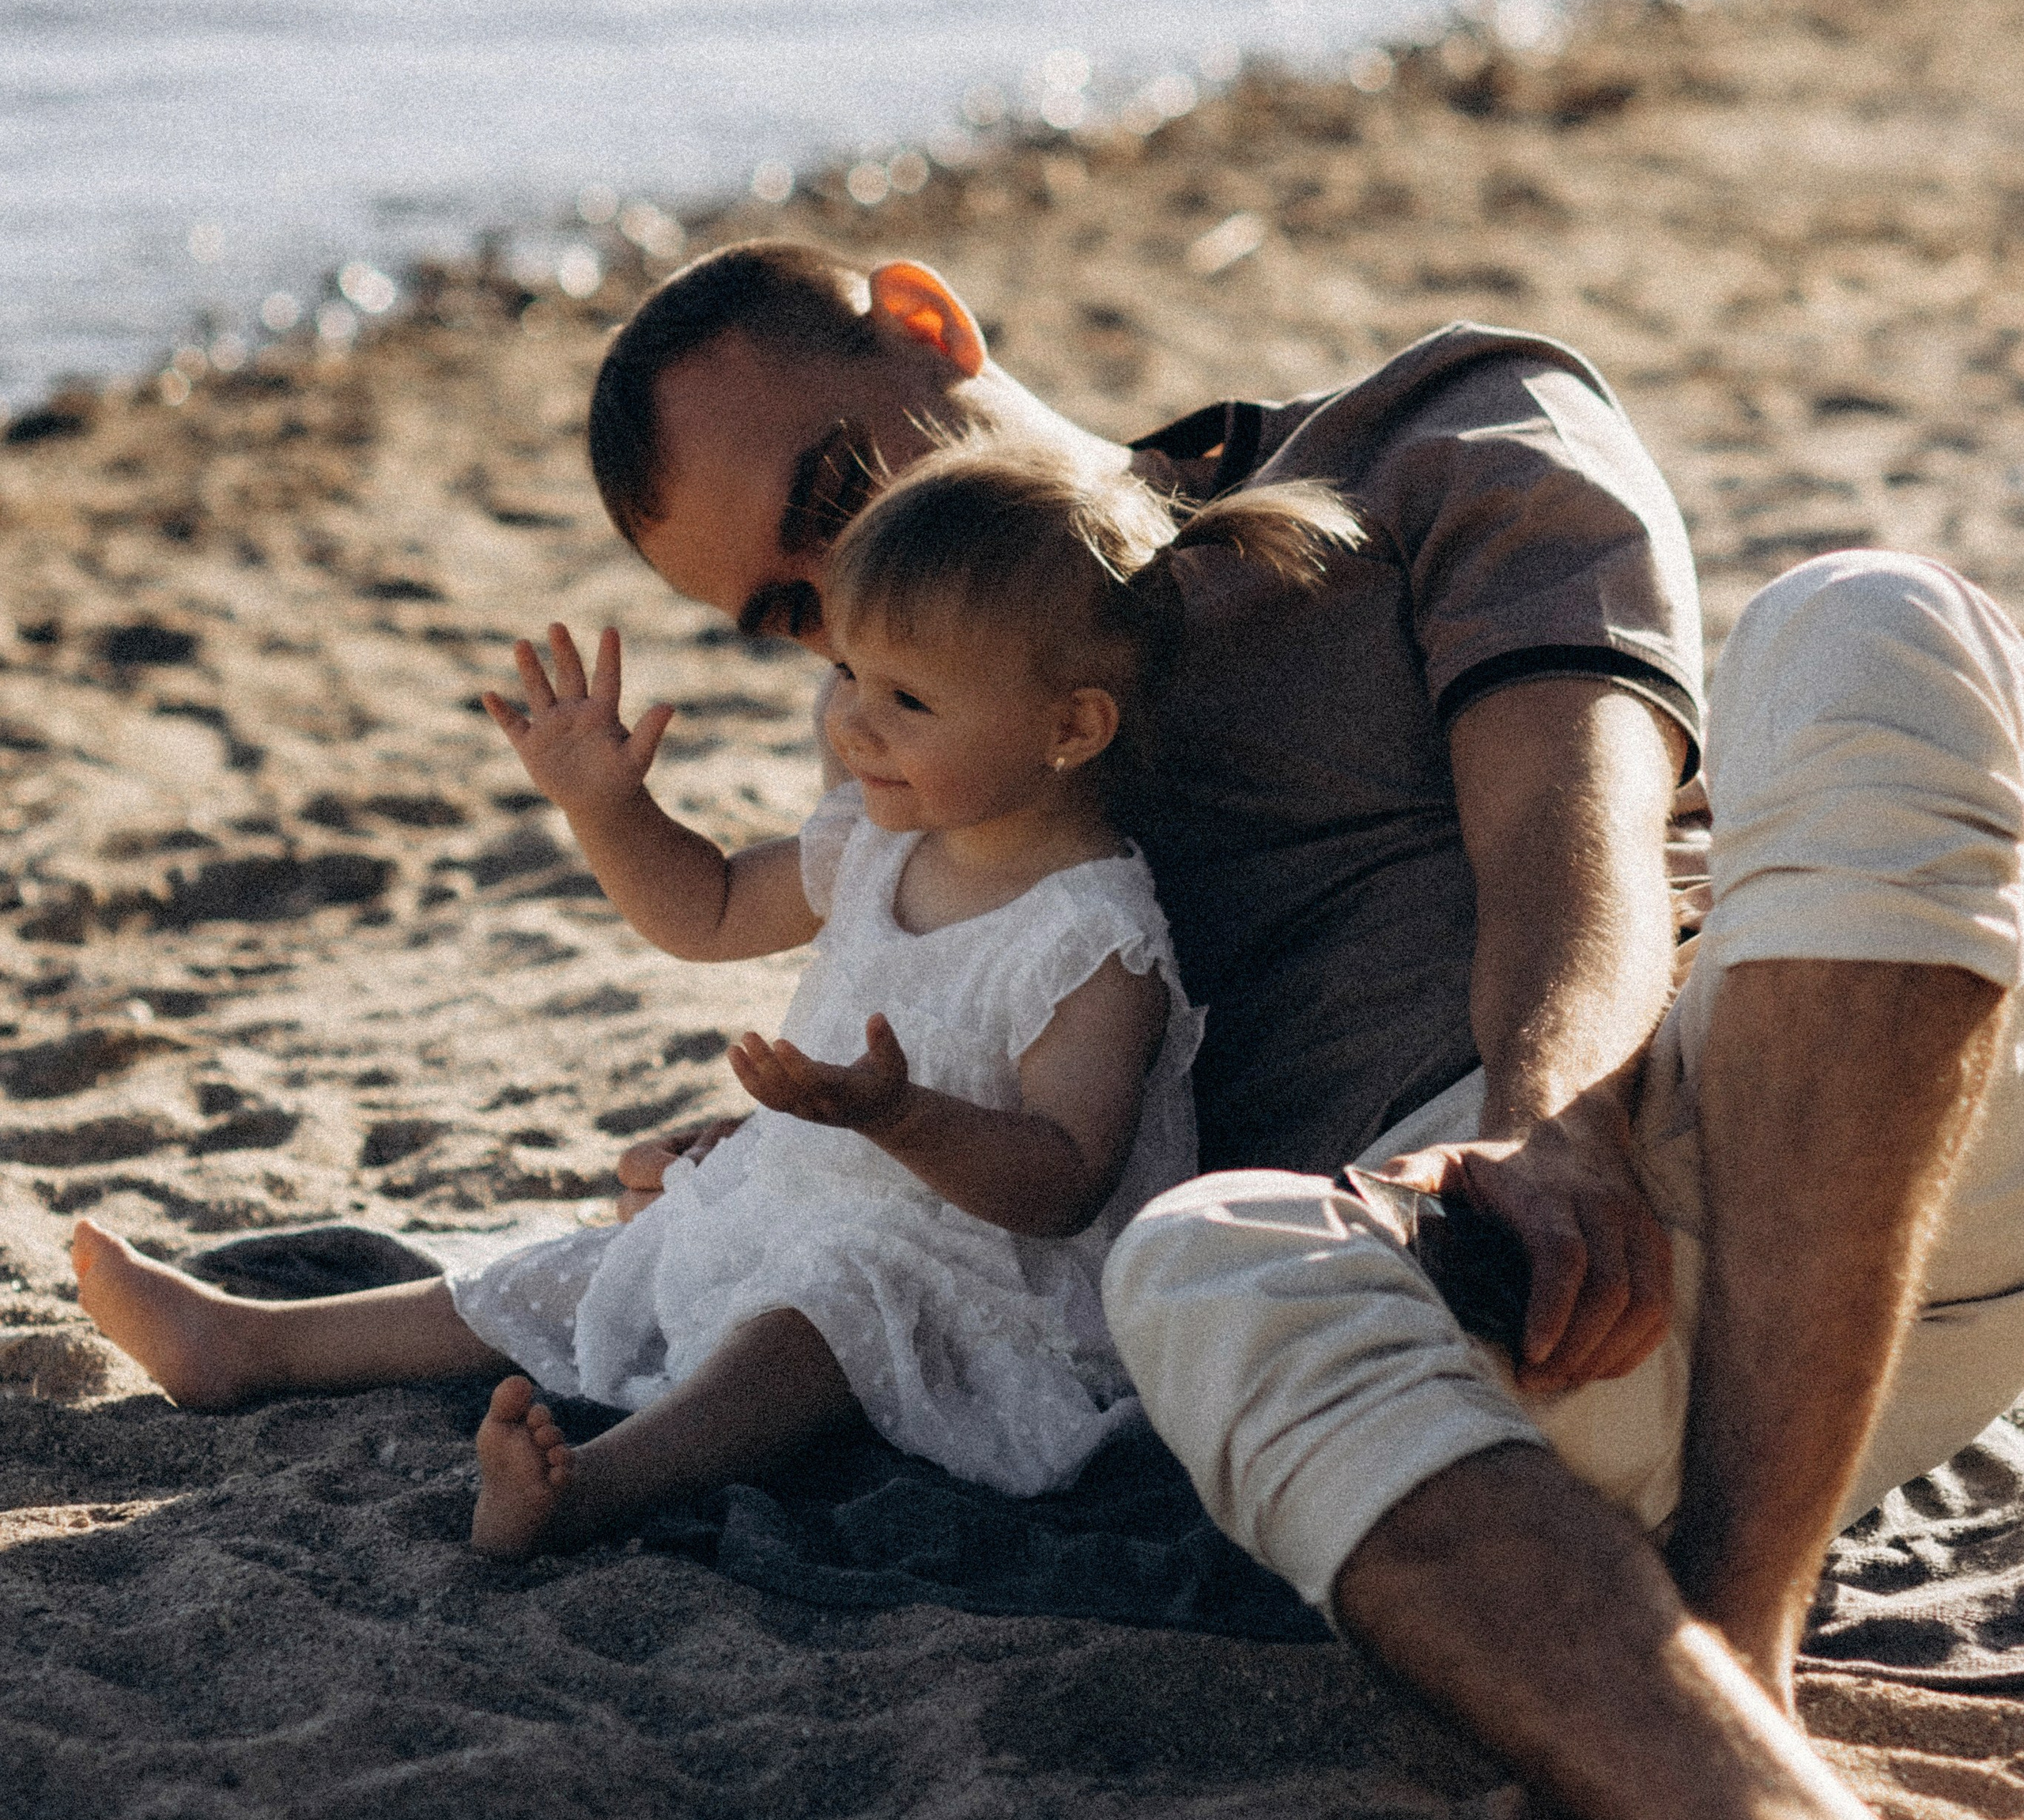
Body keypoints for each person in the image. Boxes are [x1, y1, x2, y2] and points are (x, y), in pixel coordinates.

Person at [563, 238, 2024, 1820]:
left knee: (1860, 615)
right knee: (1200, 1262)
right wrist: (767, 1141)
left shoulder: (1437, 426)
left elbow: (1558, 823)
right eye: (779, 610)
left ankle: (1707, 1676)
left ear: (921, 322)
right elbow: (991, 1073)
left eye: (827, 497)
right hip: (1475, 1334)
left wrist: (1553, 1117)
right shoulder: (966, 727)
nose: (838, 595)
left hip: (1823, 1106)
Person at [72, 436, 1358, 1559]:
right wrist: (608, 806)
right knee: (588, 1269)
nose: (853, 725)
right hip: (818, 1195)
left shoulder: (1092, 934)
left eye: (906, 699)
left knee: (820, 1317)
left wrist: (900, 1116)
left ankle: (598, 1489)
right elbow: (703, 910)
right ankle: (247, 1346)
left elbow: (1069, 1178)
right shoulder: (879, 839)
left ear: (1071, 729)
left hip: (997, 1294)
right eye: (848, 674)